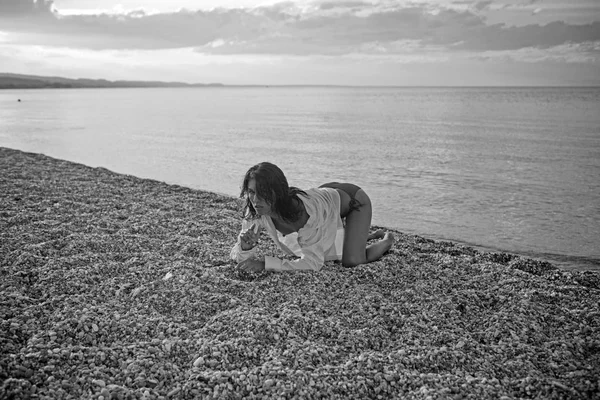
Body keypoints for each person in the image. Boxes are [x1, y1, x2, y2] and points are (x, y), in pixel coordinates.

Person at [230, 162, 394, 272]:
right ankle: (358, 235)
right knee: (316, 246)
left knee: (352, 261)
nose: (256, 199)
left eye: (263, 193)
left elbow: (313, 263)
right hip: (322, 197)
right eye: (251, 192)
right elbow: (236, 256)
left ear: (277, 192)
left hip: (352, 201)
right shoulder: (256, 209)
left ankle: (386, 240)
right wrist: (245, 247)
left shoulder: (304, 214)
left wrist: (264, 264)